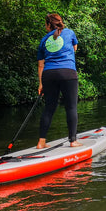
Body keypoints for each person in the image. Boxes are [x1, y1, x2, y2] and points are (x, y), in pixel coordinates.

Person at [37, 13, 81, 149]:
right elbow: (75, 49)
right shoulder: (70, 33)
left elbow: (40, 65)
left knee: (49, 108)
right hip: (68, 73)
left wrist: (41, 84)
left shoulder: (44, 40)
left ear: (48, 25)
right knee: (71, 107)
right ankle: (73, 141)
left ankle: (41, 142)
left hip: (49, 75)